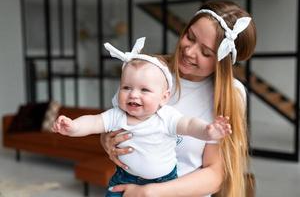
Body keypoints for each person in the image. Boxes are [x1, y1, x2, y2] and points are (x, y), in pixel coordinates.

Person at [101, 0, 256, 197]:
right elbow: (115, 123)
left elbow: (215, 174)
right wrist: (106, 140)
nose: (189, 51)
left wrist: (150, 192)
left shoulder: (230, 94)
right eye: (190, 37)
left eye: (206, 52)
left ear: (222, 62)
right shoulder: (150, 70)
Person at [52, 37, 232, 197]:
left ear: (164, 97)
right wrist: (73, 127)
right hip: (123, 178)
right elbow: (93, 122)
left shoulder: (166, 116)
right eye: (127, 87)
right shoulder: (118, 114)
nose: (133, 95)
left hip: (163, 182)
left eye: (144, 90)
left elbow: (190, 125)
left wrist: (208, 131)